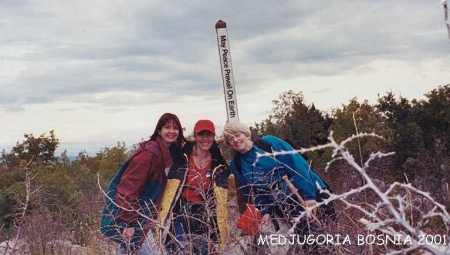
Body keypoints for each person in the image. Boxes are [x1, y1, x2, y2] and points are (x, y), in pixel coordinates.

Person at [222, 120, 335, 253]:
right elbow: (254, 192)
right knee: (306, 245)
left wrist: (309, 197)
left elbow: (298, 166)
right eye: (231, 139)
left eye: (237, 135)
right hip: (286, 206)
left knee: (326, 239)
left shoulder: (268, 144)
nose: (235, 140)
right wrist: (264, 211)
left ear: (246, 134)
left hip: (310, 194)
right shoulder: (237, 164)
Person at [101, 113, 185, 254]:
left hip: (141, 218)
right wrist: (129, 223)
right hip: (130, 219)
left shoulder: (166, 152)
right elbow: (127, 190)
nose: (171, 131)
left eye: (175, 128)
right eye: (167, 127)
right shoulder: (148, 154)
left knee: (129, 249)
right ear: (159, 130)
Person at [158, 119, 230, 255]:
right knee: (176, 249)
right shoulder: (181, 157)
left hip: (204, 214)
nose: (205, 139)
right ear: (195, 136)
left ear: (213, 137)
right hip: (180, 213)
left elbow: (226, 191)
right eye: (201, 135)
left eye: (209, 135)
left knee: (204, 250)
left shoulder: (219, 164)